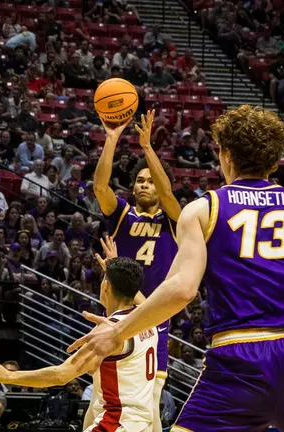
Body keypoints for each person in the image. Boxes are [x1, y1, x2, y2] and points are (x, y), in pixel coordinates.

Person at [69, 105, 284, 431]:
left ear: (225, 156)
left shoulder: (203, 209)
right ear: (274, 161)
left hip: (236, 359)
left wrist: (118, 330)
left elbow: (183, 290)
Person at [0, 236, 158, 432]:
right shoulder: (148, 320)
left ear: (106, 286)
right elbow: (142, 299)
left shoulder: (110, 331)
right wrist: (113, 269)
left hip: (116, 423)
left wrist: (9, 376)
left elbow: (61, 375)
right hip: (142, 424)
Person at [93, 110, 180, 431]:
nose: (144, 184)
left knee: (149, 413)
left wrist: (147, 147)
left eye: (149, 180)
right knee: (100, 407)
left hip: (152, 323)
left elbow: (168, 193)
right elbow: (100, 188)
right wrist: (112, 138)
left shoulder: (172, 220)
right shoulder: (123, 215)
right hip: (116, 318)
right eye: (139, 180)